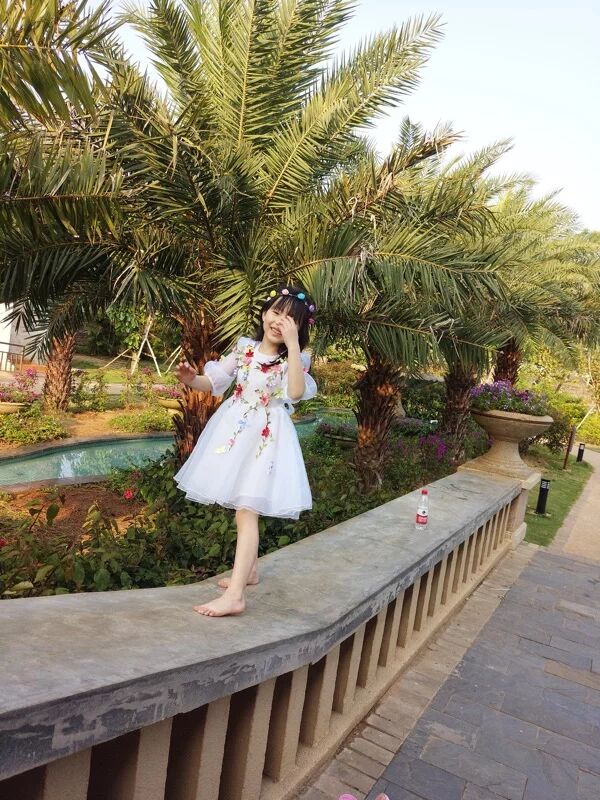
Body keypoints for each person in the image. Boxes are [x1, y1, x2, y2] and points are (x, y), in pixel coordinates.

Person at [174, 285, 318, 617]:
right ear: (264, 313)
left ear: (299, 328)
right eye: (276, 312)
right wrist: (191, 379)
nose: (280, 322)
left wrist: (293, 346)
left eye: (290, 320)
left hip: (267, 438)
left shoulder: (294, 360)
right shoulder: (244, 349)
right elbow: (214, 384)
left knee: (246, 509)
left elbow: (296, 392)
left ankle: (236, 596)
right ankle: (249, 571)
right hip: (236, 431)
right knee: (243, 502)